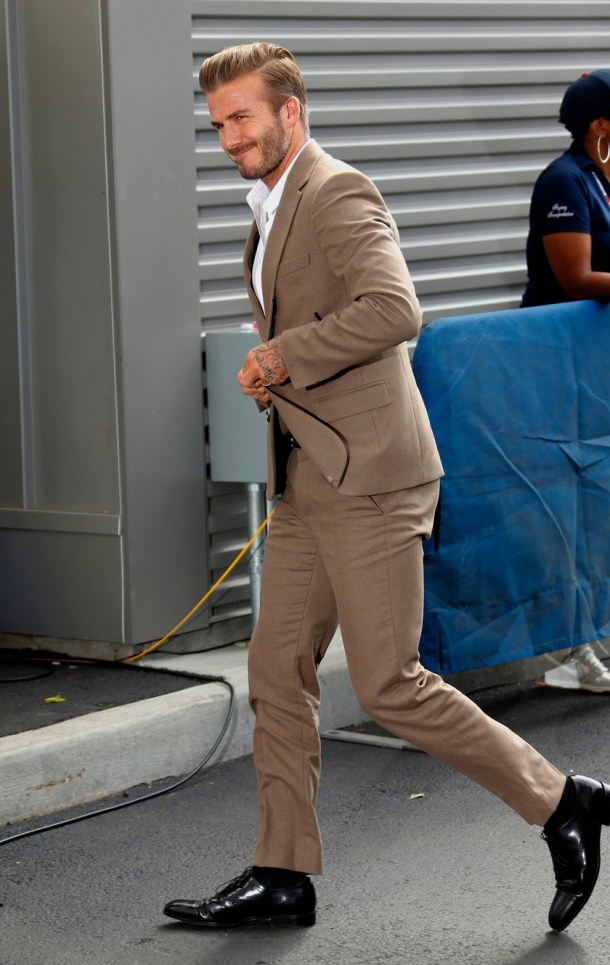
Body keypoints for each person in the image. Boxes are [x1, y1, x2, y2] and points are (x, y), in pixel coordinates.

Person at [164, 43, 610, 934]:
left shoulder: (335, 191)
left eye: (242, 117)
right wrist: (280, 376)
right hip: (312, 477)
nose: (228, 137)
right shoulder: (271, 204)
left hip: (373, 478)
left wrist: (284, 355)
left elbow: (394, 306)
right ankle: (283, 873)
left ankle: (565, 801)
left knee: (392, 682)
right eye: (218, 124)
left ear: (291, 113)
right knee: (277, 672)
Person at [522, 69, 610, 694]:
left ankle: (593, 633)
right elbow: (576, 277)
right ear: (600, 127)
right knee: (566, 503)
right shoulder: (564, 181)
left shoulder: (603, 181)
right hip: (555, 365)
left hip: (594, 366)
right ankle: (573, 648)